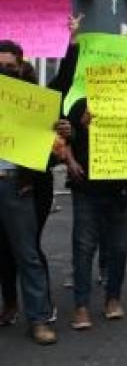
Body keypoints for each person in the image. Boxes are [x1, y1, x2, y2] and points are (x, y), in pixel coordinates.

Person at [0, 40, 58, 344]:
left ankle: (39, 319)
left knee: (27, 254)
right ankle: (9, 305)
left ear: (21, 66)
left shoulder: (33, 101)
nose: (4, 70)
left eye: (10, 65)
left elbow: (46, 147)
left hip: (14, 183)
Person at [65, 99, 127, 330]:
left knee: (119, 247)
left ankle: (113, 298)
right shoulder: (80, 106)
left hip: (119, 188)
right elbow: (63, 138)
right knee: (83, 247)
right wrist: (71, 160)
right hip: (86, 187)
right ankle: (81, 306)